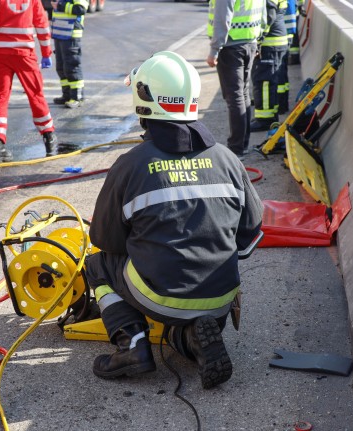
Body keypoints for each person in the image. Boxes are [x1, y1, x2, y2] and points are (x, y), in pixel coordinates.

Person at [86, 51, 264, 389]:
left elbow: (104, 241)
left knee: (97, 265)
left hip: (159, 297)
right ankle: (193, 339)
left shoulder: (131, 164)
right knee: (183, 319)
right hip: (220, 300)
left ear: (144, 100)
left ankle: (133, 345)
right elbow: (251, 237)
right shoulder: (227, 159)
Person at [0, 0, 58, 162]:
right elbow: (41, 24)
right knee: (36, 95)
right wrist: (46, 52)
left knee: (0, 98)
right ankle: (49, 138)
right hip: (25, 54)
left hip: (1, 54)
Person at [207, 0, 266, 160]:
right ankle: (242, 145)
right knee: (243, 94)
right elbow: (263, 13)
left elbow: (222, 17)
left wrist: (214, 50)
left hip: (231, 45)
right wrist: (259, 40)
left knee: (234, 97)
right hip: (250, 42)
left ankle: (236, 149)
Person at [249, 0, 289, 132]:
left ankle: (265, 120)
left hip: (270, 43)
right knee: (268, 81)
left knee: (264, 83)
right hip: (275, 41)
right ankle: (270, 116)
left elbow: (269, 15)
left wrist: (259, 37)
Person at [51, 0, 88, 109]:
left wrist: (61, 5)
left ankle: (77, 97)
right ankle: (67, 95)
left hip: (71, 34)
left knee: (72, 66)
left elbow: (80, 9)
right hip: (59, 33)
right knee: (61, 67)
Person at [277, 0, 297, 114]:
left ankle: (281, 104)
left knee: (279, 72)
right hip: (285, 31)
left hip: (281, 32)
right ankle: (282, 104)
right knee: (282, 72)